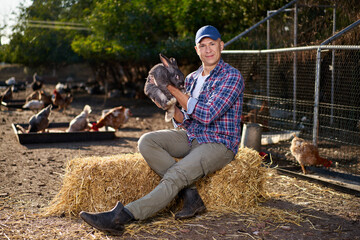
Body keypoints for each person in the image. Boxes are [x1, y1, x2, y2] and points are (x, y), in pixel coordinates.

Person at [79, 25, 245, 235]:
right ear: (197, 50)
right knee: (147, 141)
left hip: (219, 142)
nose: (208, 49)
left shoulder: (232, 77)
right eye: (203, 45)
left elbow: (207, 114)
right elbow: (185, 120)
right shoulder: (192, 79)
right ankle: (191, 195)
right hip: (193, 135)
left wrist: (169, 87)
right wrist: (169, 105)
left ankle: (122, 217)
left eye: (212, 44)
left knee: (177, 173)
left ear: (221, 45)